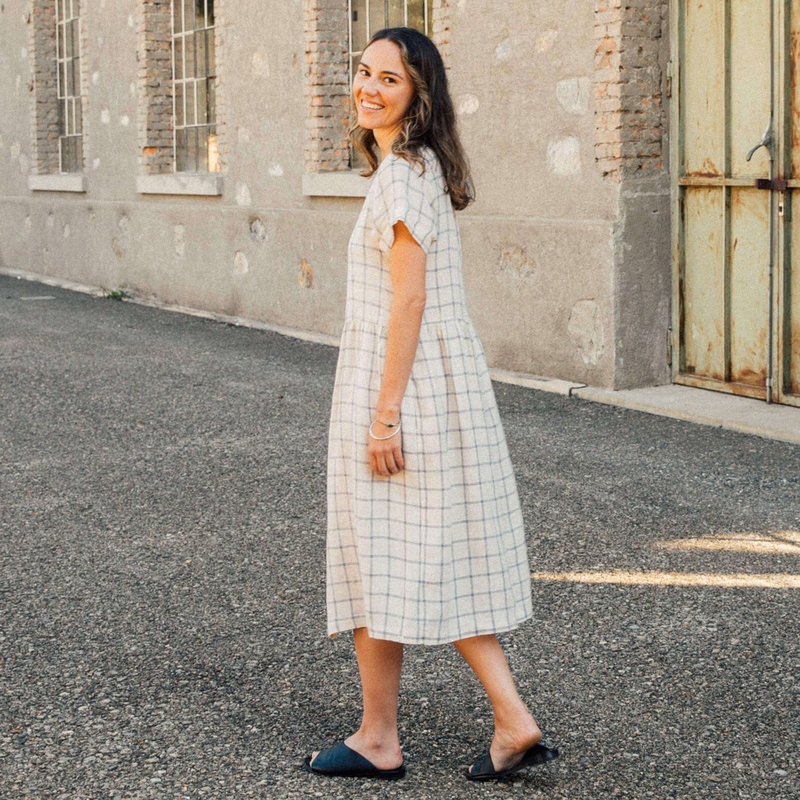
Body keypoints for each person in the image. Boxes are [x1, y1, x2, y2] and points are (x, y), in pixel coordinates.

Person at [303, 27, 559, 782]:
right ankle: (382, 733)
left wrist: (385, 416)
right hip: (414, 382)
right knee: (389, 557)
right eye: (364, 72)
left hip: (402, 389)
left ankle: (499, 721)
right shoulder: (407, 170)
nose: (369, 88)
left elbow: (408, 299)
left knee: (411, 559)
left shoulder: (404, 175)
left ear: (419, 96)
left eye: (391, 79)